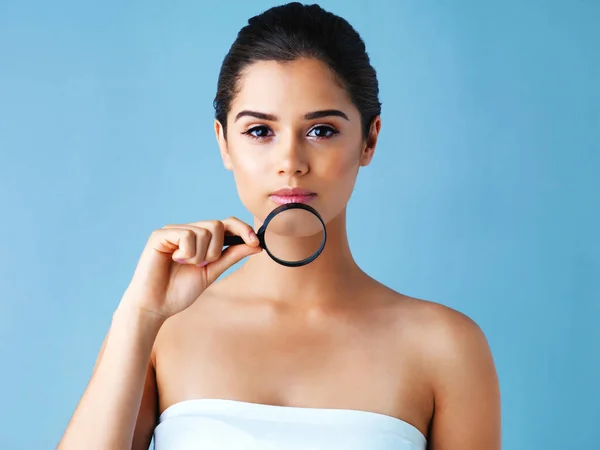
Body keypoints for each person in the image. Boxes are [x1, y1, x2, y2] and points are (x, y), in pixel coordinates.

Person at [58, 2, 501, 449]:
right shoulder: (161, 331)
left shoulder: (445, 347)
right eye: (259, 131)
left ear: (369, 140)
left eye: (321, 130)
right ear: (224, 143)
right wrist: (139, 316)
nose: (290, 163)